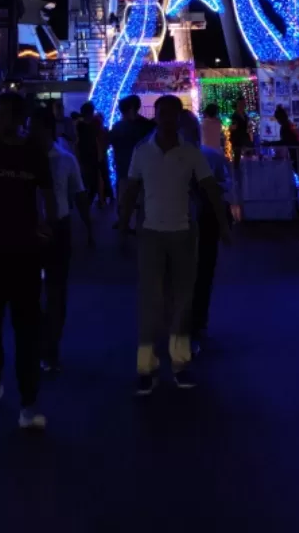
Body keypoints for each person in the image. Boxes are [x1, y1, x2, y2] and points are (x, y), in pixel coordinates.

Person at [118, 94, 228, 394]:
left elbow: (210, 189)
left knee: (183, 299)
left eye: (172, 113)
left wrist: (223, 224)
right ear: (155, 116)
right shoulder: (143, 151)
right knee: (151, 300)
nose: (166, 118)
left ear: (179, 117)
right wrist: (123, 224)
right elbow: (131, 189)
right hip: (151, 232)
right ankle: (146, 365)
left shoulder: (191, 153)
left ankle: (180, 363)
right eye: (162, 113)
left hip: (183, 233)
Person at [0, 93, 56, 429]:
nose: (1, 119)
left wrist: (48, 228)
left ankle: (29, 402)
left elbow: (48, 197)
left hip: (24, 254)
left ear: (19, 119)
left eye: (7, 114)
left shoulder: (34, 154)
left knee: (27, 329)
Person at [30, 106, 92, 372]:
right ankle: (40, 342)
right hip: (29, 229)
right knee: (29, 291)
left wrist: (88, 226)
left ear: (48, 130)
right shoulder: (23, 158)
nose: (30, 132)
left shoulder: (66, 160)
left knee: (56, 290)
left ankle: (49, 346)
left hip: (58, 227)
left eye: (35, 128)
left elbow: (78, 194)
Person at [192, 141, 232, 342]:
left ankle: (195, 322)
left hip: (202, 220)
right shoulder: (212, 156)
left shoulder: (209, 156)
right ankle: (196, 322)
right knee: (201, 273)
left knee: (202, 272)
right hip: (198, 221)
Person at [109, 95, 152, 219]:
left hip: (125, 170)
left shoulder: (118, 127)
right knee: (142, 202)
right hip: (143, 171)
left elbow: (110, 143)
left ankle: (124, 223)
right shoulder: (148, 126)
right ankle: (139, 225)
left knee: (125, 200)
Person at [274, 105, 299, 207]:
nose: (278, 121)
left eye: (278, 119)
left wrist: (270, 144)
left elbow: (284, 142)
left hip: (298, 155)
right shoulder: (289, 125)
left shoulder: (286, 127)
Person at [75, 101, 101, 206]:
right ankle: (85, 204)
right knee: (88, 182)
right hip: (85, 156)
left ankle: (86, 204)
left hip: (90, 156)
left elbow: (96, 140)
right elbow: (77, 141)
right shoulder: (80, 125)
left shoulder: (92, 124)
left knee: (92, 183)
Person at [229, 95, 252, 167]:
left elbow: (246, 125)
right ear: (238, 104)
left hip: (244, 137)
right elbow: (233, 127)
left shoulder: (245, 114)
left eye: (244, 103)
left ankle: (244, 172)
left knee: (248, 154)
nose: (243, 105)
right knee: (237, 157)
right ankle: (237, 173)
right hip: (237, 138)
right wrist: (232, 127)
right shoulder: (235, 115)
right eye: (241, 103)